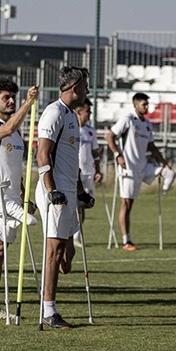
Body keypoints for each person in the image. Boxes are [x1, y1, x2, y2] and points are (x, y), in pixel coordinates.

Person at [35, 66, 95, 329]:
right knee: (54, 249)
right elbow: (42, 154)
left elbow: (72, 162)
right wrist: (51, 190)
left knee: (66, 258)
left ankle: (50, 297)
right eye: (85, 87)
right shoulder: (54, 112)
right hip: (55, 191)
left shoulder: (72, 116)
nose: (88, 91)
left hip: (70, 190)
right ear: (74, 89)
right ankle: (48, 311)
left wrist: (81, 192)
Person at [0, 79, 39, 320]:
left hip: (13, 195)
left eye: (14, 96)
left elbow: (15, 169)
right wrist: (28, 103)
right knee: (31, 222)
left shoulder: (17, 129)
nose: (11, 100)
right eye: (6, 97)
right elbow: (7, 130)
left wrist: (25, 196)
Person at [106, 92, 176, 251]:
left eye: (147, 104)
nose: (146, 107)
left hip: (142, 167)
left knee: (168, 172)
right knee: (126, 204)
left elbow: (152, 146)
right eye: (144, 104)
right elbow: (110, 136)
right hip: (128, 168)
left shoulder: (148, 124)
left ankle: (166, 190)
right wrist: (118, 155)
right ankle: (126, 241)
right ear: (135, 105)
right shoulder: (128, 120)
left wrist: (163, 162)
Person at [73, 98, 103, 248]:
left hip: (88, 173)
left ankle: (76, 236)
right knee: (73, 206)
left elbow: (95, 152)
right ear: (78, 112)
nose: (89, 114)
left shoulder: (91, 132)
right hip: (74, 174)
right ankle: (70, 235)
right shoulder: (71, 129)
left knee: (84, 205)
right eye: (87, 111)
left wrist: (98, 170)